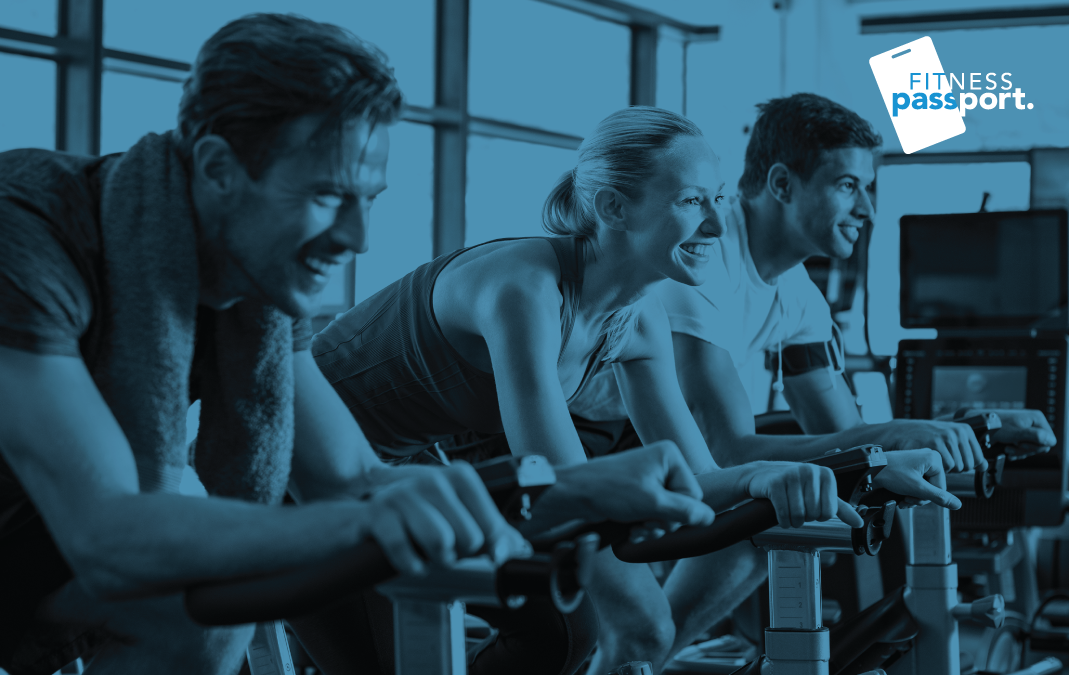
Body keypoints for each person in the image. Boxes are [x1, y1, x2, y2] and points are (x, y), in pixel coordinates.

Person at [0, 15, 720, 675]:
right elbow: (111, 534)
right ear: (214, 167)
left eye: (369, 198)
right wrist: (382, 519)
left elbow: (352, 479)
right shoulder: (14, 232)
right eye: (324, 194)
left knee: (198, 618)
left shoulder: (254, 284)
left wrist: (565, 488)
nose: (353, 235)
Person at [309, 106, 957, 674]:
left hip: (415, 467)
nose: (712, 226)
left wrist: (813, 471)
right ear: (615, 207)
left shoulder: (639, 316)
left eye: (714, 200)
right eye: (690, 201)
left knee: (578, 628)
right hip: (311, 457)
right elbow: (559, 485)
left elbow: (703, 474)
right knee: (525, 633)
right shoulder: (524, 289)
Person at [566, 93, 1058, 656]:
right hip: (580, 447)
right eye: (848, 186)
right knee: (643, 629)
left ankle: (646, 656)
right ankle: (642, 651)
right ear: (781, 184)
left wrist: (971, 428)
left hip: (651, 446)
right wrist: (895, 436)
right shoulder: (698, 255)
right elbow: (730, 450)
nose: (868, 210)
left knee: (779, 518)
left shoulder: (800, 297)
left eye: (867, 189)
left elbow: (848, 439)